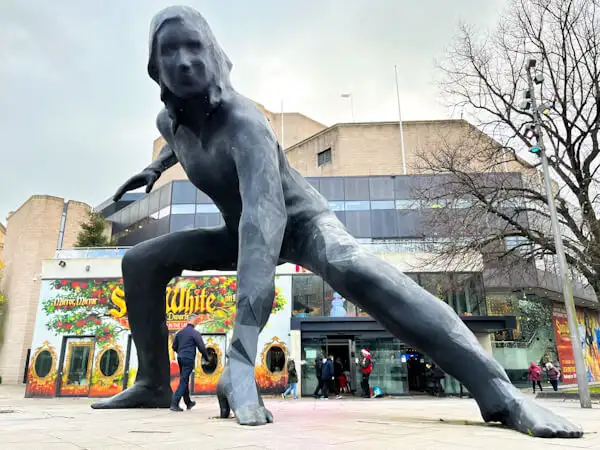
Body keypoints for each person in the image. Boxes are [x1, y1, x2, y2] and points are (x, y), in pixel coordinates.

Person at [91, 5, 582, 438]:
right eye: (169, 51)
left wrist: (241, 355)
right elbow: (202, 166)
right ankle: (154, 383)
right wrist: (155, 168)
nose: (183, 61)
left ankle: (503, 394)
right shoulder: (169, 125)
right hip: (238, 230)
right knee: (140, 261)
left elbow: (265, 222)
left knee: (358, 270)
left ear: (216, 56)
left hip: (300, 223)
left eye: (194, 47)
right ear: (155, 67)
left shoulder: (245, 123)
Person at [170, 314, 209, 411]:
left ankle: (188, 403)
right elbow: (201, 347)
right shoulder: (194, 333)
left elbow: (174, 347)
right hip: (189, 358)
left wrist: (181, 352)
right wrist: (207, 358)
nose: (197, 322)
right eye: (196, 320)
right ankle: (174, 403)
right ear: (194, 321)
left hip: (180, 358)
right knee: (183, 380)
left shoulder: (180, 333)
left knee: (184, 378)